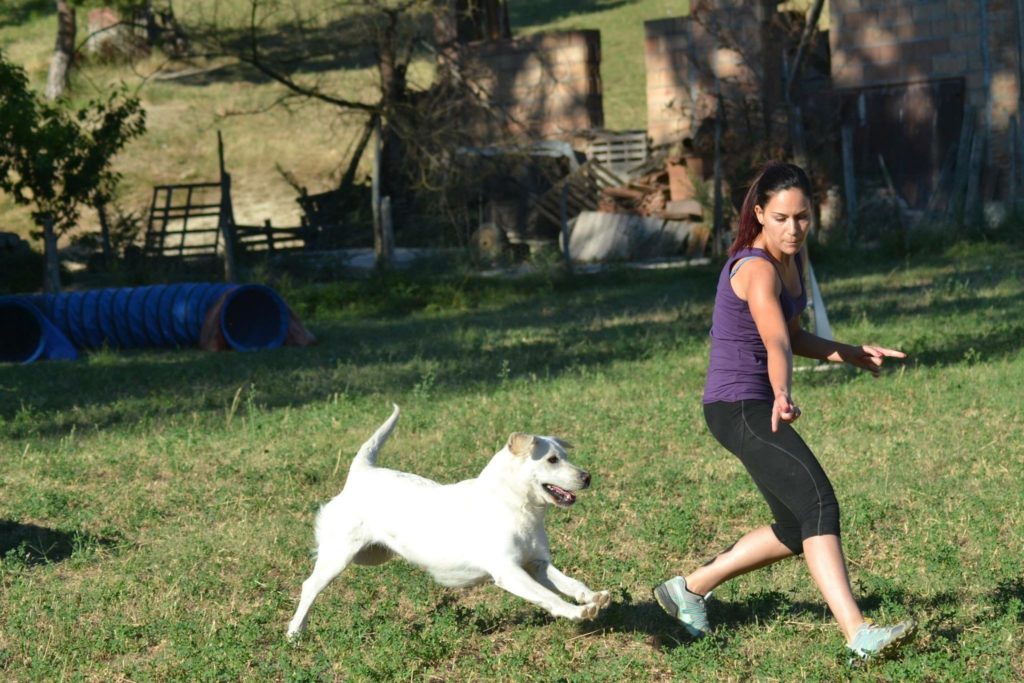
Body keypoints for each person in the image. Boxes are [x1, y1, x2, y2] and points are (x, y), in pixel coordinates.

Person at [653, 161, 915, 662]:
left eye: (802, 217)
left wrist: (851, 352)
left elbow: (792, 335)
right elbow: (775, 342)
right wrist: (781, 390)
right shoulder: (755, 268)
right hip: (742, 405)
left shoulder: (789, 260)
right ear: (759, 214)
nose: (793, 228)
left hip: (748, 404)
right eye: (781, 218)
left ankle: (687, 589)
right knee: (819, 504)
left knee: (797, 527)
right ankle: (858, 633)